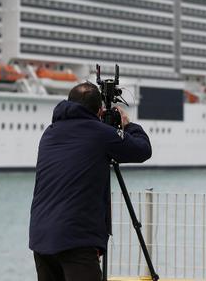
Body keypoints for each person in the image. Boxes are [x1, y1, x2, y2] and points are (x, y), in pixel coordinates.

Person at [29, 81, 152, 281]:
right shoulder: (100, 134)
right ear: (99, 111)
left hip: (41, 236)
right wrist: (127, 125)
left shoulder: (49, 133)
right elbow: (143, 149)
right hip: (75, 238)